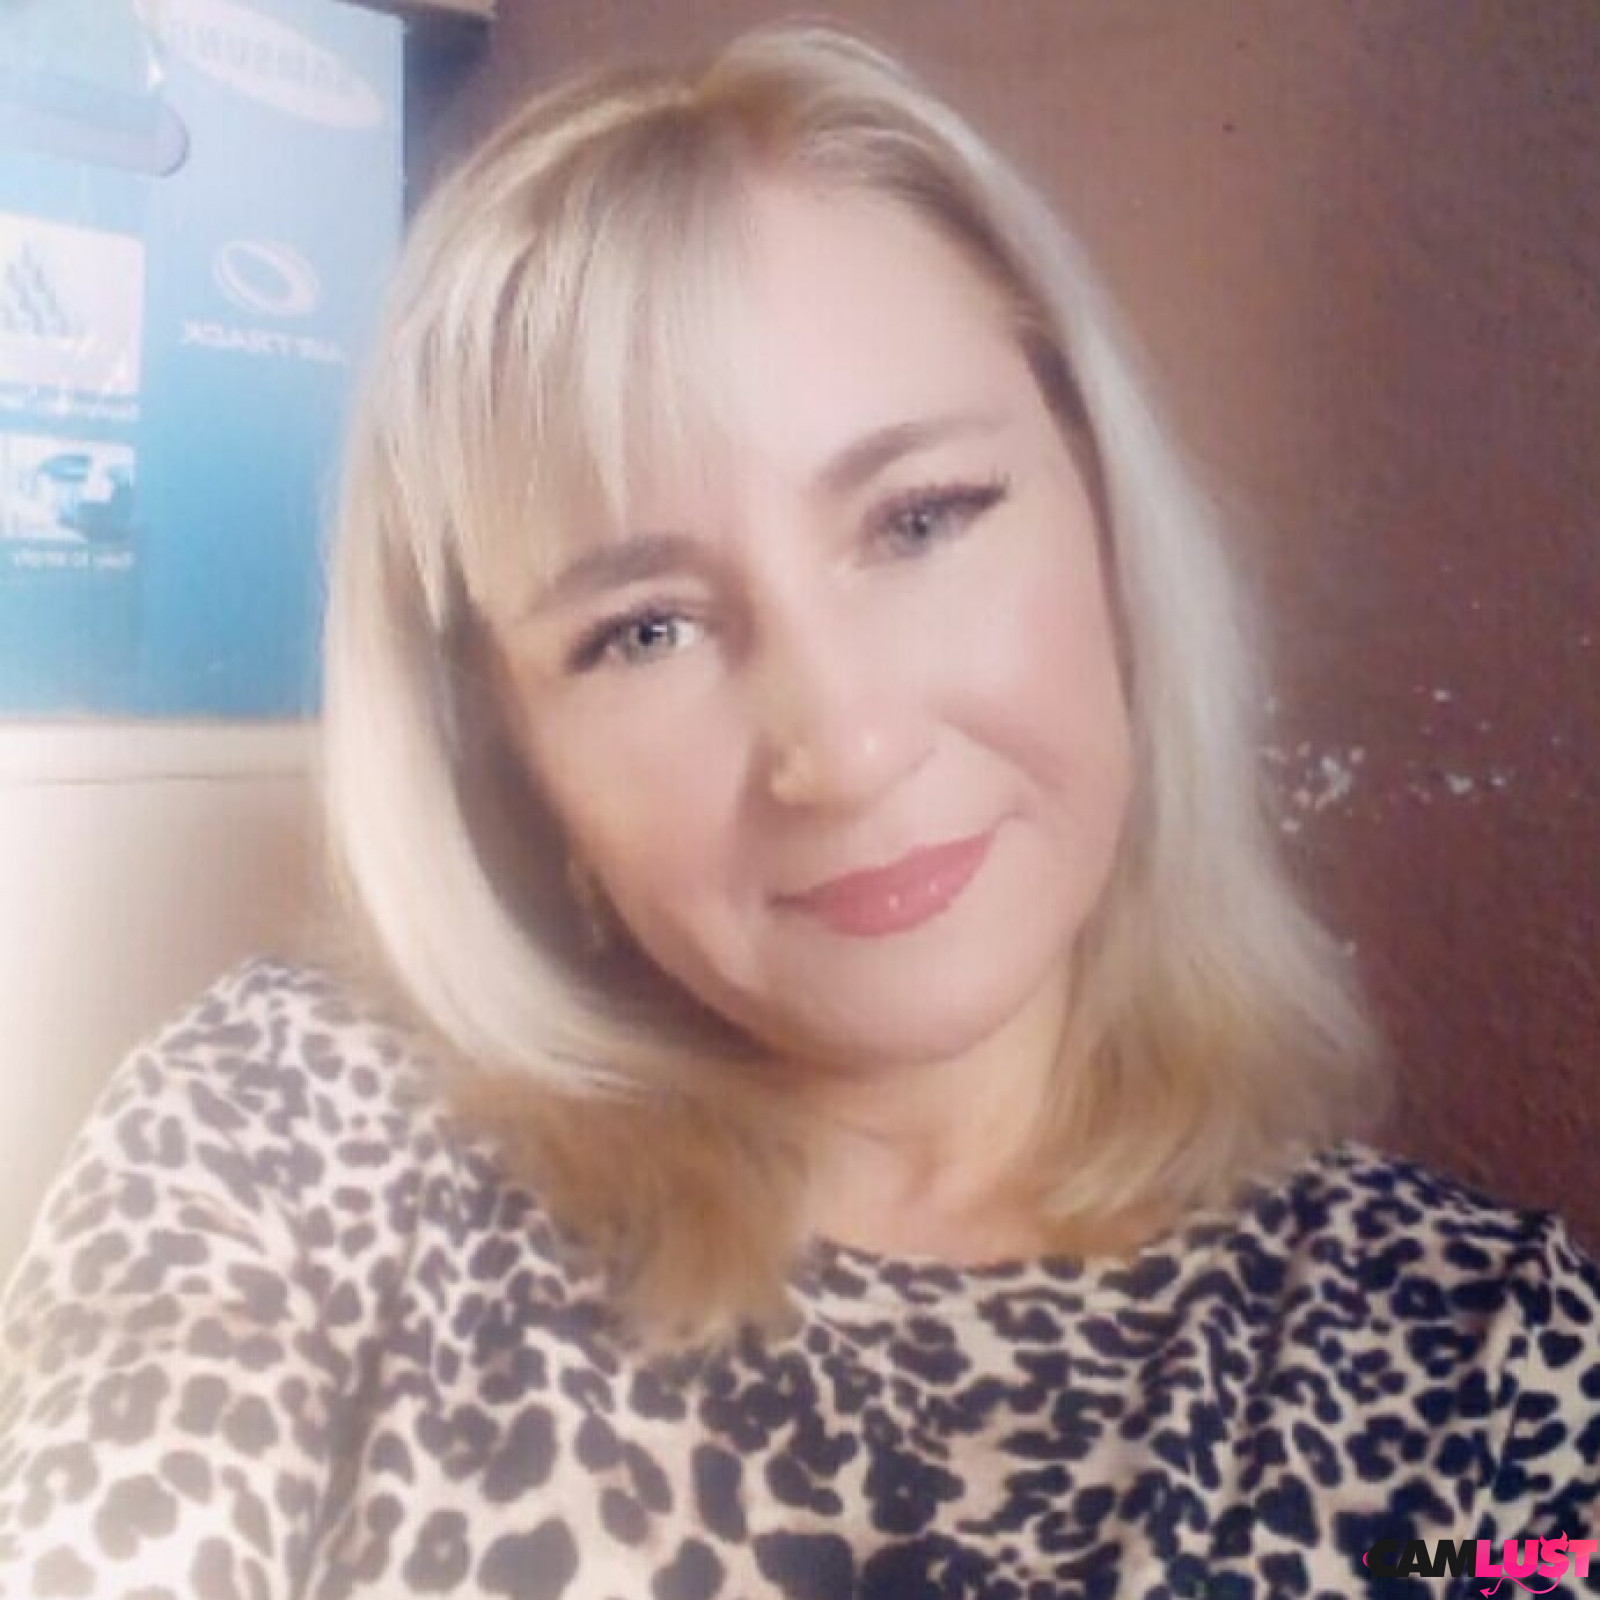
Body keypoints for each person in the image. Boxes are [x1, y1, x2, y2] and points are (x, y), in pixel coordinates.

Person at [1, 24, 1595, 1600]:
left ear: (1105, 510)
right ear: (511, 757)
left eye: (920, 519)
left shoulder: (1481, 1373)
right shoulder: (299, 1139)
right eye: (644, 630)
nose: (843, 746)